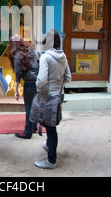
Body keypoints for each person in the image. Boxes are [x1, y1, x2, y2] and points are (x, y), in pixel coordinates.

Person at [34, 29, 71, 169]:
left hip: (48, 95)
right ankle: (49, 145)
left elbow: (41, 80)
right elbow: (68, 77)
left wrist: (38, 86)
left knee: (50, 128)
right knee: (51, 124)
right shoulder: (63, 56)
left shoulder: (45, 57)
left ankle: (51, 160)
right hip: (59, 94)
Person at [7, 34, 39, 139]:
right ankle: (34, 126)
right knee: (35, 106)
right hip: (38, 82)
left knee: (29, 108)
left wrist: (15, 91)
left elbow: (18, 75)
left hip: (29, 84)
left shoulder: (17, 56)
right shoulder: (32, 50)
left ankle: (27, 132)